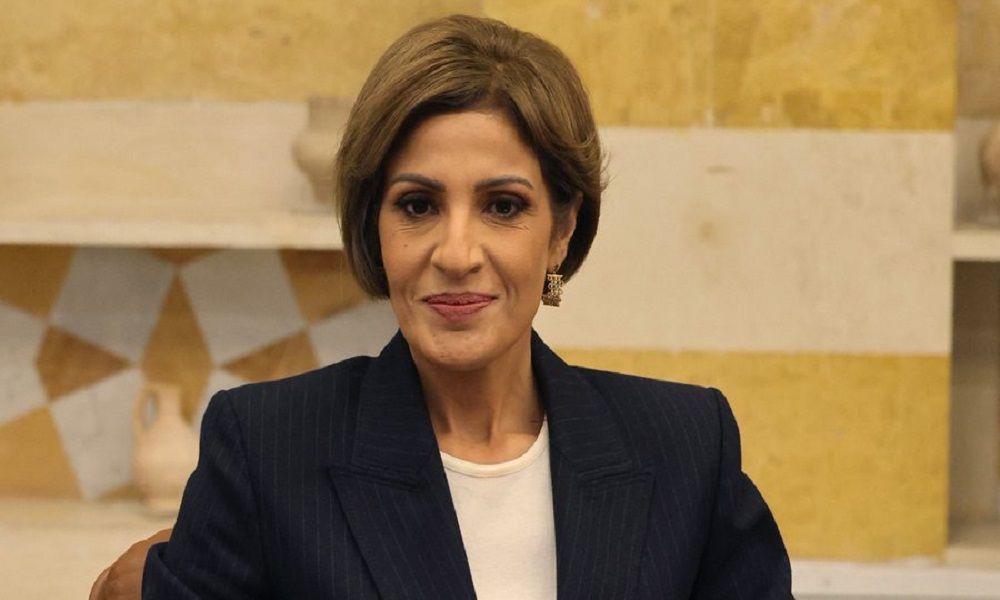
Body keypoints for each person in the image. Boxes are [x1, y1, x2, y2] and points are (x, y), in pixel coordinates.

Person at [92, 13, 791, 599]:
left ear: (562, 229)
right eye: (418, 205)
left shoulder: (687, 446)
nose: (456, 253)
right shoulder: (265, 448)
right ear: (374, 224)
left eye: (503, 206)